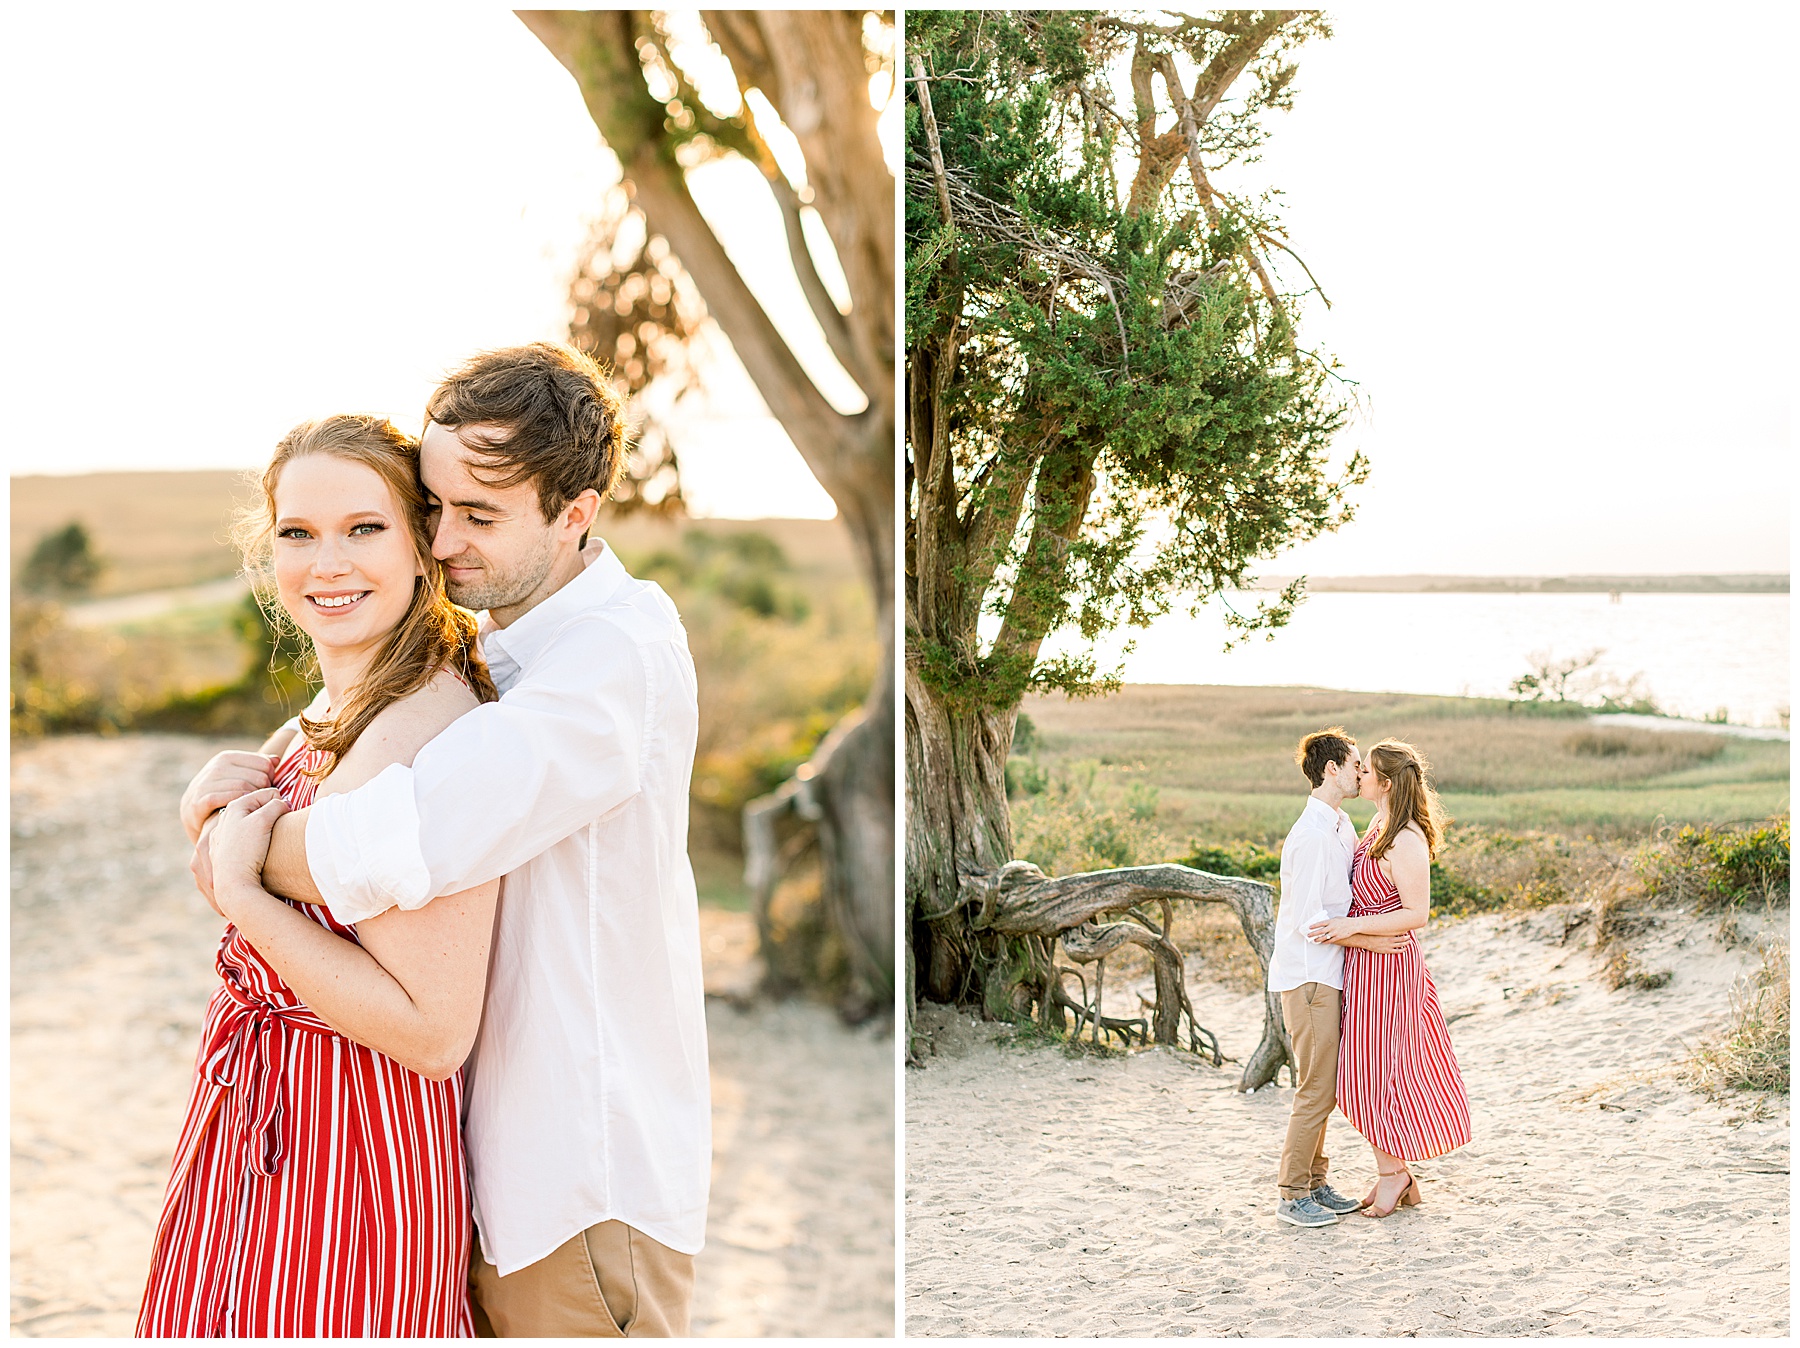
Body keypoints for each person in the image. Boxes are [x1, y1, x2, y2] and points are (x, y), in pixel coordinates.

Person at [181, 343, 708, 1336]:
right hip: (496, 1171)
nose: (445, 538)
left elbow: (404, 836)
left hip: (579, 1185)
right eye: (434, 507)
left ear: (575, 512)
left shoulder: (609, 660)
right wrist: (224, 802)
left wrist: (240, 867)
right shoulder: (516, 646)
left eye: (479, 514)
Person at [139, 414, 500, 1336]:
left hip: (349, 1156)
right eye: (297, 533)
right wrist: (207, 810)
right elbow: (233, 851)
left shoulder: (428, 729)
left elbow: (433, 1032)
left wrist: (246, 898)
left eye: (364, 528)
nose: (326, 563)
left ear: (424, 545)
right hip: (263, 1128)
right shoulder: (337, 706)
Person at [1308, 738, 1472, 1218]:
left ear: (1384, 781)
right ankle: (1395, 1173)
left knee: (1379, 1076)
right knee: (1362, 1076)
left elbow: (1416, 913)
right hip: (1364, 966)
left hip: (1391, 971)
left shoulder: (1405, 837)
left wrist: (1352, 926)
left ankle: (1393, 1175)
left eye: (1366, 770)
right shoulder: (1378, 825)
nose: (1358, 774)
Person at [1267, 728, 1408, 1229]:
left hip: (1332, 973)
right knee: (1315, 1087)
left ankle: (1316, 1182)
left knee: (1325, 1084)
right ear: (1332, 769)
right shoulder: (1308, 836)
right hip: (1308, 977)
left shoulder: (1342, 825)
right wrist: (1369, 941)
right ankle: (1291, 1193)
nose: (1361, 773)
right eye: (1355, 764)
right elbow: (1309, 921)